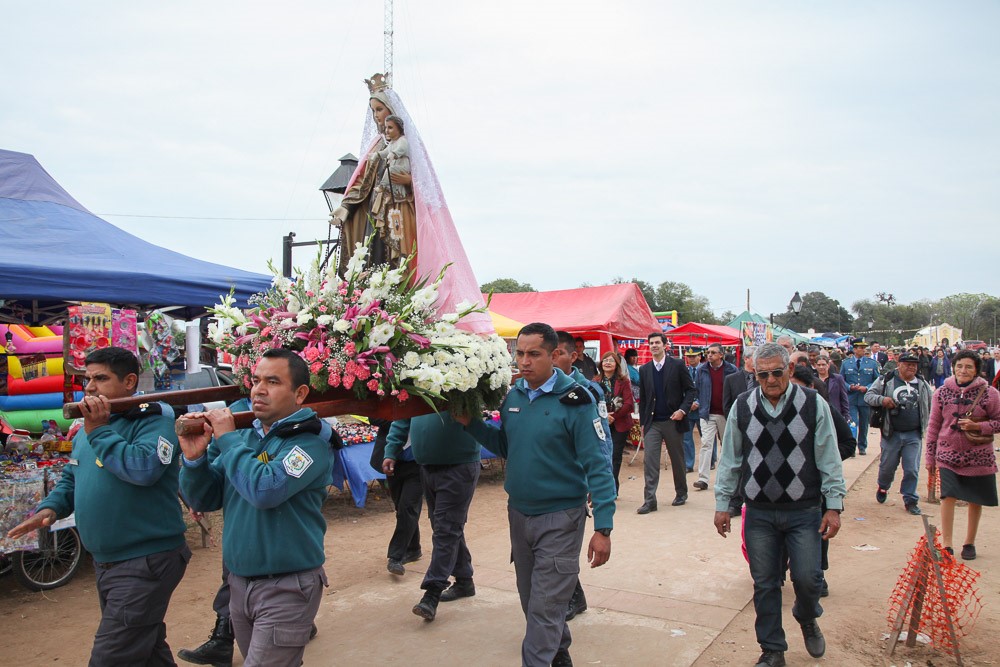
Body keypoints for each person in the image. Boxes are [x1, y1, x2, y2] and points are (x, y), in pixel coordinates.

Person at [7, 347, 189, 666]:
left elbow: (144, 469)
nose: (89, 387)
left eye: (100, 378)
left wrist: (100, 431)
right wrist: (49, 509)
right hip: (109, 562)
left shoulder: (153, 417)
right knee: (147, 651)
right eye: (87, 379)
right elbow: (72, 476)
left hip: (145, 560)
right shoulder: (87, 426)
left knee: (110, 657)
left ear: (130, 381)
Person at [458, 323, 615, 667]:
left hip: (561, 517)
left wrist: (604, 527)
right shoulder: (513, 396)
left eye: (534, 354)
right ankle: (559, 655)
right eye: (520, 353)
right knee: (533, 601)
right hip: (519, 515)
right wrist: (471, 423)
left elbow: (599, 466)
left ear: (555, 354)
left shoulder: (577, 400)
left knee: (544, 608)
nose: (524, 361)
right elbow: (506, 446)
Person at [179, 348, 333, 667]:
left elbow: (265, 489)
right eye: (256, 379)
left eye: (273, 381)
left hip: (287, 586)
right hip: (240, 584)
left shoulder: (310, 442)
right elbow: (204, 499)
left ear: (300, 393)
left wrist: (228, 440)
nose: (258, 389)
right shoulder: (247, 437)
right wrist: (194, 460)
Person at [713, 343, 846, 667]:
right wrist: (722, 504)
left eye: (776, 372)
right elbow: (730, 459)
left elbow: (829, 457)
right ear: (754, 374)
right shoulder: (743, 407)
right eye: (763, 374)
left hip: (803, 510)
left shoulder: (813, 404)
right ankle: (773, 650)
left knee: (808, 578)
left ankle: (806, 615)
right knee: (766, 582)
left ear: (789, 370)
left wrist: (833, 505)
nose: (771, 380)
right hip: (758, 511)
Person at [383, 413, 483, 622]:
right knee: (445, 526)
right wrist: (391, 450)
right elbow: (403, 417)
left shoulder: (465, 380)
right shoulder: (418, 382)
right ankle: (464, 580)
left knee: (446, 529)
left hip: (459, 465)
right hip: (427, 465)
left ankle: (432, 592)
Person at [330, 75, 415, 272]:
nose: (376, 115)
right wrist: (346, 206)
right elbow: (363, 180)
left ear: (391, 111)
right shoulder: (376, 145)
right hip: (375, 209)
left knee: (397, 257)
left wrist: (408, 180)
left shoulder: (407, 144)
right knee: (373, 255)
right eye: (373, 111)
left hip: (399, 208)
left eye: (379, 109)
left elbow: (427, 187)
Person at [924, 350, 1000, 560]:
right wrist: (930, 457)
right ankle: (947, 544)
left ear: (976, 370)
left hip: (979, 456)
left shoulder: (990, 393)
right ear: (953, 367)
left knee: (975, 499)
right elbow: (933, 426)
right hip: (947, 453)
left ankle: (969, 542)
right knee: (947, 496)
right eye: (959, 366)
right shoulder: (941, 392)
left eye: (968, 367)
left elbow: (998, 422)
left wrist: (978, 425)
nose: (963, 371)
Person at [865, 352, 933, 516]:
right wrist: (883, 400)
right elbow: (869, 396)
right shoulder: (886, 379)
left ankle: (910, 499)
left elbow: (931, 404)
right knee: (887, 467)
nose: (912, 368)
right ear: (899, 364)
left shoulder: (922, 383)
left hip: (913, 434)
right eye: (908, 364)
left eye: (914, 365)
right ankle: (883, 486)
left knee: (912, 469)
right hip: (892, 433)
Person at [637, 332, 697, 512]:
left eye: (657, 342)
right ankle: (650, 500)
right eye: (651, 343)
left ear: (665, 345)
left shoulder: (677, 365)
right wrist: (642, 423)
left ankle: (681, 492)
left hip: (673, 420)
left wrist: (682, 410)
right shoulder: (645, 369)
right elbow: (644, 398)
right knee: (650, 461)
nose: (654, 345)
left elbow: (691, 390)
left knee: (677, 460)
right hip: (652, 422)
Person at [693, 343, 738, 492]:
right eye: (708, 352)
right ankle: (703, 479)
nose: (709, 355)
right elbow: (697, 389)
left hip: (726, 414)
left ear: (721, 355)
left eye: (713, 352)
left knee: (726, 446)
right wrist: (698, 402)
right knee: (706, 443)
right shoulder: (702, 370)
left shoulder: (731, 370)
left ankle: (725, 477)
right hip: (707, 413)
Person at [371, 114, 413, 263]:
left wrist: (409, 181)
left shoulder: (402, 141)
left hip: (402, 197)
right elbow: (385, 152)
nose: (386, 130)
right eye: (386, 128)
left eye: (390, 127)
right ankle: (383, 188)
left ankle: (383, 187)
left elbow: (399, 150)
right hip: (390, 202)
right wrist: (377, 155)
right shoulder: (389, 143)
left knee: (390, 173)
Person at [595, 351, 635, 493]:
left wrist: (614, 416)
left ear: (616, 364)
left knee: (615, 456)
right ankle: (602, 487)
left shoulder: (623, 381)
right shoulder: (595, 381)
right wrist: (604, 417)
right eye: (605, 360)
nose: (607, 363)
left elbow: (629, 404)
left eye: (611, 360)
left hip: (619, 423)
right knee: (601, 456)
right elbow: (591, 403)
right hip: (600, 423)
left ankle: (612, 488)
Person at [841, 340, 881, 455]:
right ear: (854, 349)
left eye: (864, 348)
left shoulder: (872, 363)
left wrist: (867, 388)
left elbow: (877, 380)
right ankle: (852, 447)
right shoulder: (846, 363)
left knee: (864, 424)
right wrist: (849, 387)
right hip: (851, 398)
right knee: (852, 423)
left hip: (865, 398)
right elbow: (841, 380)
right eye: (860, 348)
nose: (863, 350)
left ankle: (862, 446)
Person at [682, 349, 703, 472]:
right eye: (689, 356)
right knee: (686, 438)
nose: (691, 359)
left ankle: (710, 460)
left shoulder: (705, 370)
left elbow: (707, 389)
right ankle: (688, 464)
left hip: (702, 409)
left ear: (699, 357)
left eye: (694, 356)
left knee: (705, 437)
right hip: (688, 410)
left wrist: (699, 402)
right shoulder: (684, 370)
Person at [815, 355, 849, 420]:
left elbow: (843, 397)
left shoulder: (838, 378)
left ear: (828, 365)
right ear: (816, 366)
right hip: (818, 413)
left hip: (834, 413)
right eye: (819, 365)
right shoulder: (812, 379)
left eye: (823, 364)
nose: (821, 367)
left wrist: (846, 414)